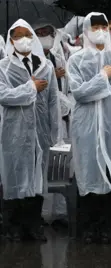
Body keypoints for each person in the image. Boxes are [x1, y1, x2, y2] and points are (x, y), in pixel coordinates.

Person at [67, 12, 111, 244]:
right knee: (87, 175)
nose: (101, 31)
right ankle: (88, 229)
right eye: (95, 26)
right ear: (86, 30)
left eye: (104, 26)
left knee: (109, 174)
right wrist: (102, 76)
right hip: (86, 127)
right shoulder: (75, 60)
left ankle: (109, 229)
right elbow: (79, 93)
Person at [0, 19, 61, 242]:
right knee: (14, 176)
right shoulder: (3, 67)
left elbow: (54, 100)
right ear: (11, 40)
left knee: (37, 178)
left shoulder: (46, 66)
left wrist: (55, 133)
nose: (23, 40)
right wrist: (30, 88)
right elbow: (4, 96)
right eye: (18, 36)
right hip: (13, 132)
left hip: (40, 132)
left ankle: (33, 225)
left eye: (27, 35)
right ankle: (13, 226)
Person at [34, 23, 72, 138]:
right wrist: (52, 75)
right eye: (39, 34)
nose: (44, 37)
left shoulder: (56, 58)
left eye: (46, 33)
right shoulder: (31, 59)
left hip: (58, 111)